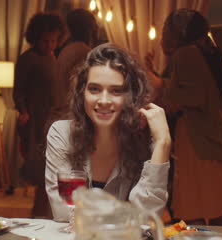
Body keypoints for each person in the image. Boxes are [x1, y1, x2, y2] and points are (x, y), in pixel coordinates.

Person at [45, 43, 171, 221]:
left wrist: (163, 143)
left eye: (116, 91)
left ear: (131, 97)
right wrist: (126, 217)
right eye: (94, 89)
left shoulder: (145, 141)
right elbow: (65, 214)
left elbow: (146, 220)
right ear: (82, 93)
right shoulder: (62, 134)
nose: (104, 100)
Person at [145, 9, 222, 225]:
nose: (161, 38)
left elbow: (190, 97)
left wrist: (154, 79)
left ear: (178, 34)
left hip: (201, 145)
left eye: (165, 32)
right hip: (205, 142)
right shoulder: (197, 53)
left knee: (195, 208)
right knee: (212, 207)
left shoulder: (186, 54)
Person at [13, 12, 66, 218]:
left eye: (54, 40)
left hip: (51, 118)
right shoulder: (27, 59)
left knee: (51, 173)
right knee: (41, 172)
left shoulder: (53, 57)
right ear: (35, 37)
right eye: (46, 40)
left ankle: (46, 214)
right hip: (34, 119)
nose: (50, 45)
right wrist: (23, 110)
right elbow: (18, 91)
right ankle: (39, 216)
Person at [54, 9, 99, 115]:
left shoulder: (67, 49)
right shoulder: (83, 52)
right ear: (89, 29)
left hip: (63, 109)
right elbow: (80, 88)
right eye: (94, 25)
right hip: (71, 112)